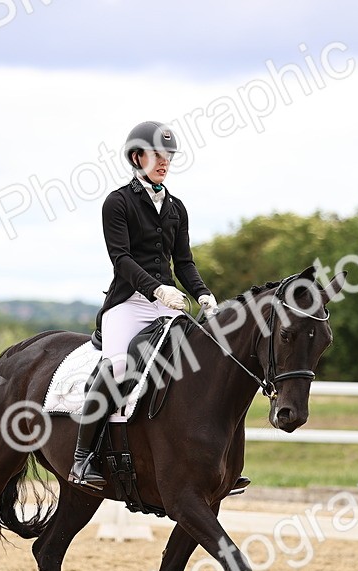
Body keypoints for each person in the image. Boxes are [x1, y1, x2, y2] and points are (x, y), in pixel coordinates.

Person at [68, 121, 219, 489]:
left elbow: (183, 262)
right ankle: (82, 458)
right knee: (119, 366)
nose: (164, 161)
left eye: (169, 156)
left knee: (199, 364)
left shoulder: (176, 208)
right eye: (157, 155)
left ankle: (208, 459)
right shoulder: (118, 202)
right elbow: (121, 259)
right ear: (137, 157)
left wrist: (202, 293)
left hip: (168, 303)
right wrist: (157, 290)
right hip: (128, 303)